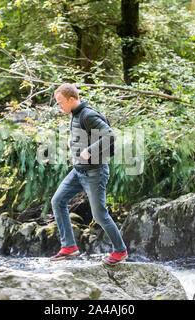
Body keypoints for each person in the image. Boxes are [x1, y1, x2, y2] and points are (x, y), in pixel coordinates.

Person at [50, 83, 128, 265]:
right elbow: (84, 133)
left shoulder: (88, 114)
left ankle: (120, 250)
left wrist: (90, 150)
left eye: (61, 102)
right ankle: (69, 247)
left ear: (71, 99)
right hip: (78, 171)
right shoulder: (75, 114)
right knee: (57, 201)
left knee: (100, 215)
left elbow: (109, 135)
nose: (59, 106)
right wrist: (73, 140)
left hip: (95, 172)